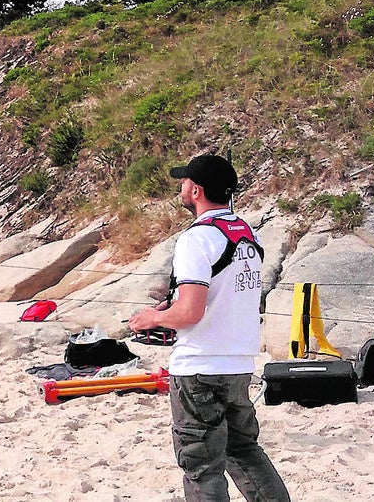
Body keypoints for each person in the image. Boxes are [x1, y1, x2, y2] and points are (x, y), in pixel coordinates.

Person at [128, 154, 290, 502]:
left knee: (202, 468)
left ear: (196, 190)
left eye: (184, 183)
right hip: (239, 363)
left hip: (199, 366)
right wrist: (173, 309)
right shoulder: (249, 235)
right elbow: (221, 297)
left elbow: (190, 313)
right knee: (245, 452)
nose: (181, 188)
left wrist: (153, 318)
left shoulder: (196, 239)